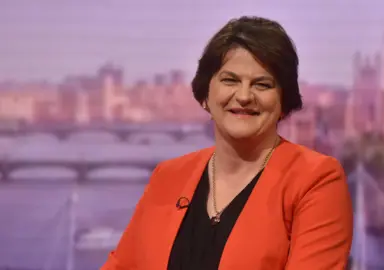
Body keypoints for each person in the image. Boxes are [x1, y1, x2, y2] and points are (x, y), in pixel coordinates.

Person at [101, 16, 353, 270]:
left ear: (283, 103)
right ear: (205, 96)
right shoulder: (167, 177)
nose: (244, 96)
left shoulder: (316, 181)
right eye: (229, 80)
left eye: (262, 84)